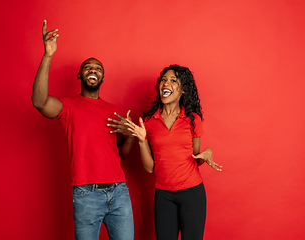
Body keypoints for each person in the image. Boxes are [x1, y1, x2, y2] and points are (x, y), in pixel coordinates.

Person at [31, 20, 135, 240]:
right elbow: (39, 102)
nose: (93, 70)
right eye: (88, 67)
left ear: (103, 77)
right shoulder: (68, 105)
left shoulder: (113, 109)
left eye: (98, 68)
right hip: (86, 194)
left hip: (119, 192)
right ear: (80, 75)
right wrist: (48, 55)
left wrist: (132, 136)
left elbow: (122, 155)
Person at [124, 64, 222, 240]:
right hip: (164, 195)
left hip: (192, 193)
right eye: (163, 80)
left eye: (173, 80)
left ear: (183, 90)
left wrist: (206, 153)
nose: (165, 83)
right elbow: (148, 168)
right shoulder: (149, 121)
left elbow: (196, 158)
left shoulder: (192, 119)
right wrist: (141, 140)